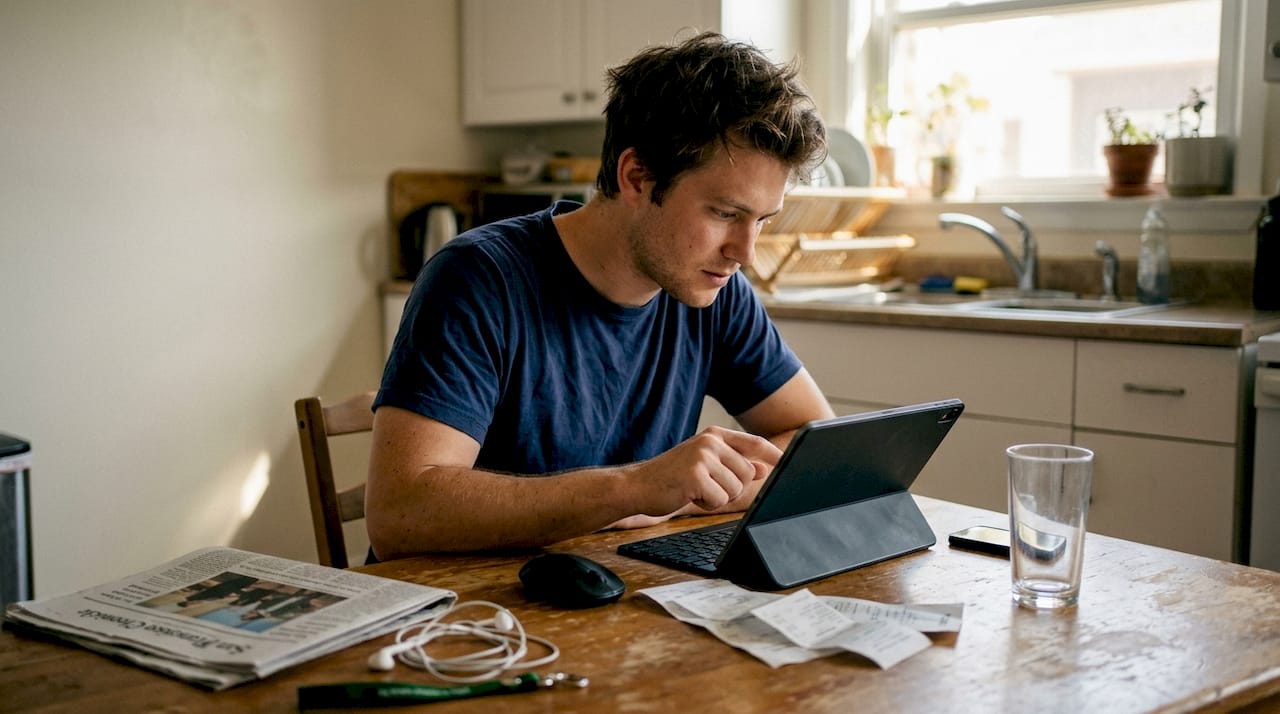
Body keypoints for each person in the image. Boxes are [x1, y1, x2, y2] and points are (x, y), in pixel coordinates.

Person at [366, 31, 834, 561]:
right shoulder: (478, 278)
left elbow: (814, 442)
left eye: (761, 220)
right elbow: (398, 515)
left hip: (621, 596)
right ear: (636, 177)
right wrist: (633, 488)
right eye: (725, 214)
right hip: (463, 619)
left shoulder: (716, 291)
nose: (744, 252)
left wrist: (682, 496)